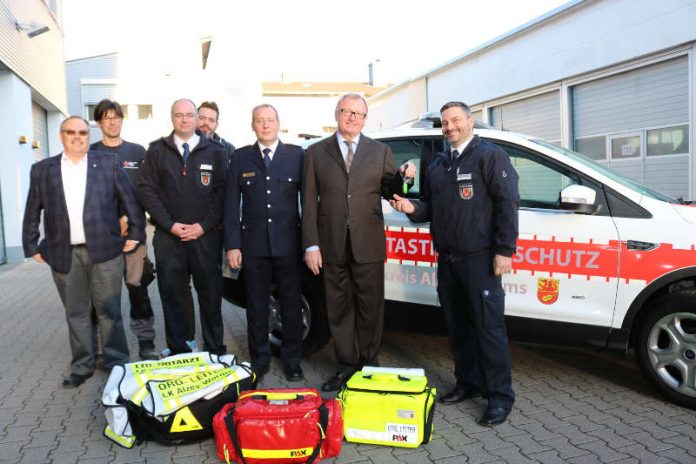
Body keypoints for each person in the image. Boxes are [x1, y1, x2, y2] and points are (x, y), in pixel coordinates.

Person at [390, 101, 519, 426]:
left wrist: (504, 250)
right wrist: (411, 208)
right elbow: (429, 209)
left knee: (489, 330)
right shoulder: (438, 164)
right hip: (447, 260)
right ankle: (468, 383)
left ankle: (499, 397)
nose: (449, 127)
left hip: (480, 260)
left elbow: (508, 203)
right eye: (445, 123)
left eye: (455, 120)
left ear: (470, 122)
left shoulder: (489, 156)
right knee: (458, 328)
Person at [302, 93, 416, 391]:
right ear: (336, 114)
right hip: (331, 244)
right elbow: (309, 203)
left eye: (358, 113)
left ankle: (368, 362)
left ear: (365, 119)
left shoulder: (379, 151)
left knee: (370, 306)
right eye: (346, 111)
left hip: (368, 243)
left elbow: (393, 189)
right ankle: (345, 365)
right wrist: (311, 245)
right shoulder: (316, 153)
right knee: (338, 308)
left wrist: (405, 178)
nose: (352, 117)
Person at [22, 116, 145, 388]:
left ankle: (117, 363)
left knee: (109, 309)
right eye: (71, 132)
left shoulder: (107, 164)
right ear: (61, 135)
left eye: (82, 132)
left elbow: (130, 201)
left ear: (88, 136)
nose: (77, 137)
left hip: (105, 250)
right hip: (64, 254)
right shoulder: (43, 169)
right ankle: (82, 365)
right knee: (76, 312)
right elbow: (33, 209)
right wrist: (31, 245)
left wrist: (136, 234)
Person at [137, 98, 227, 356]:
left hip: (205, 237)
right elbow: (146, 190)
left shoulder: (215, 152)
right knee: (173, 295)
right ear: (172, 118)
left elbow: (222, 193)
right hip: (169, 238)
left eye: (189, 115)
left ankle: (214, 350)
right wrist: (170, 224)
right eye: (179, 115)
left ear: (198, 119)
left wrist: (203, 226)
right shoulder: (156, 151)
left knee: (210, 295)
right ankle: (180, 349)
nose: (185, 119)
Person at [224, 104, 304, 382]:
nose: (265, 125)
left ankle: (292, 360)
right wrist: (232, 245)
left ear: (278, 122)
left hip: (289, 246)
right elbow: (231, 204)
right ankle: (259, 360)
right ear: (253, 125)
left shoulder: (296, 156)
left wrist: (310, 244)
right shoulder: (241, 157)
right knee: (256, 306)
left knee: (291, 306)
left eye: (270, 120)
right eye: (260, 121)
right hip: (254, 247)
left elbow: (308, 201)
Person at [91, 99, 158, 360]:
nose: (112, 121)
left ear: (121, 120)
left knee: (138, 290)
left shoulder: (137, 152)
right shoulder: (91, 153)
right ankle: (103, 346)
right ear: (98, 122)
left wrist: (131, 221)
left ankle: (146, 342)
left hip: (134, 236)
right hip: (101, 237)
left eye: (116, 116)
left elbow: (146, 192)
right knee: (102, 296)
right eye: (106, 117)